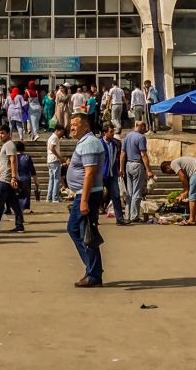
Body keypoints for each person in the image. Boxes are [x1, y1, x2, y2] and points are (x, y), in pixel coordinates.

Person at [66, 112, 106, 287]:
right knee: (78, 230)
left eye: (75, 124)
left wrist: (84, 199)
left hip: (87, 194)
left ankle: (94, 273)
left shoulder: (89, 143)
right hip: (83, 193)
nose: (72, 128)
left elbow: (90, 172)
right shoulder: (84, 143)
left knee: (84, 233)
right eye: (71, 125)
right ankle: (93, 269)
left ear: (86, 126)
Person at [0, 125, 25, 232]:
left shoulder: (9, 145)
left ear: (8, 134)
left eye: (2, 133)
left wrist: (13, 177)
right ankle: (19, 225)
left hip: (6, 179)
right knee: (14, 203)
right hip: (5, 178)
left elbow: (13, 161)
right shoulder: (6, 145)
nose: (0, 135)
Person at [161, 156, 196, 226]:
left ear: (168, 167)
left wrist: (186, 191)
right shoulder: (180, 162)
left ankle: (191, 220)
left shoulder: (173, 163)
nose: (172, 173)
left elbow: (182, 176)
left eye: (169, 172)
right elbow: (186, 178)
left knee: (192, 196)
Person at [121, 120, 151, 222]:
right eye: (144, 127)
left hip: (128, 165)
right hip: (137, 165)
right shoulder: (140, 137)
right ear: (140, 126)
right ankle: (134, 216)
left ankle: (127, 215)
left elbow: (122, 154)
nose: (145, 130)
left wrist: (121, 168)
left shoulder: (127, 136)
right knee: (137, 192)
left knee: (129, 192)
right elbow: (143, 154)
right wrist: (148, 170)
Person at [100, 124, 126, 225]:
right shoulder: (99, 143)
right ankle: (93, 218)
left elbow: (115, 158)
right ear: (105, 132)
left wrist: (118, 169)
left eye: (113, 131)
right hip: (102, 173)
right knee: (97, 196)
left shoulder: (115, 144)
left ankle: (120, 218)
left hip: (112, 174)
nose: (112, 133)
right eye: (111, 131)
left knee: (116, 196)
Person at [16, 140, 38, 212]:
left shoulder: (13, 157)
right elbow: (32, 170)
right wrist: (36, 182)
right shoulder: (27, 157)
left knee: (18, 196)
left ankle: (19, 213)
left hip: (16, 178)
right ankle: (21, 212)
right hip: (26, 178)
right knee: (25, 196)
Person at [46, 125, 66, 202]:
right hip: (54, 160)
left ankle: (49, 197)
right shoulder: (55, 137)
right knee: (56, 179)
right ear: (57, 130)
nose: (62, 134)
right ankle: (55, 197)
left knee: (51, 179)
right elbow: (52, 148)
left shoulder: (51, 137)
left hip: (50, 160)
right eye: (61, 132)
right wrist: (59, 157)